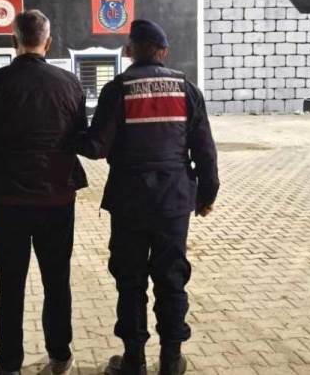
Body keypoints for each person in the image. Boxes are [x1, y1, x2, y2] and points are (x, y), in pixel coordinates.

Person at [76, 20, 220, 375]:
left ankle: (133, 360)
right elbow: (205, 150)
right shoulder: (187, 89)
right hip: (174, 201)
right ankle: (171, 359)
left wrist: (65, 132)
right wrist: (206, 195)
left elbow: (96, 147)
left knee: (131, 281)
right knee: (171, 279)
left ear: (130, 51)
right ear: (163, 52)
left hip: (129, 201)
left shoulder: (117, 89)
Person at [0, 9, 88, 375]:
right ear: (48, 42)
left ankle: (9, 361)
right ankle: (60, 355)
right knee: (57, 280)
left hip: (7, 200)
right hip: (57, 198)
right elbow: (79, 136)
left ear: (14, 41)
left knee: (10, 282)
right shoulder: (69, 84)